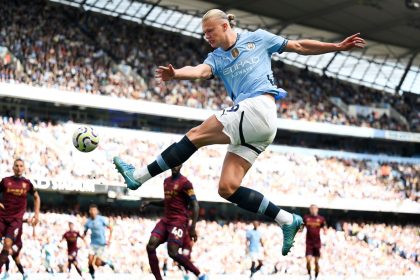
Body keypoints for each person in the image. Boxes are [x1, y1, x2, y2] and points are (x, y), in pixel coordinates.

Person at [113, 9, 365, 256]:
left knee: (195, 135)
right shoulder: (216, 58)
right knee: (227, 188)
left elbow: (298, 46)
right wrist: (177, 74)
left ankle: (139, 176)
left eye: (210, 31)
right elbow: (200, 71)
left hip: (258, 107)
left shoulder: (259, 38)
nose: (207, 37)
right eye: (204, 34)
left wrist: (337, 47)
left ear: (225, 26)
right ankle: (287, 219)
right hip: (259, 127)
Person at [141, 165, 207, 280]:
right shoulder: (166, 181)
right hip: (166, 220)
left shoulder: (185, 183)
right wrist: (150, 202)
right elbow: (167, 202)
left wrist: (192, 228)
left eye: (178, 163)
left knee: (172, 253)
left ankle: (199, 275)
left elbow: (195, 205)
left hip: (178, 221)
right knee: (150, 246)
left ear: (181, 165)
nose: (175, 165)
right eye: (173, 163)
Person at [0, 159, 40, 267]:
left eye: (21, 166)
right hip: (2, 217)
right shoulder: (5, 181)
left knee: (7, 244)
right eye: (16, 165)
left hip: (15, 220)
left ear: (24, 168)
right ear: (13, 168)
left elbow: (36, 197)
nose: (19, 168)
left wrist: (36, 215)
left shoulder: (27, 183)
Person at [83, 204, 114, 279]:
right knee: (90, 261)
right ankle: (92, 275)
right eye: (91, 210)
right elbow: (85, 232)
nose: (93, 212)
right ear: (90, 211)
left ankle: (107, 262)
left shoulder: (101, 219)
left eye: (94, 210)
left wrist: (109, 240)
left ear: (97, 211)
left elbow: (111, 228)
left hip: (101, 244)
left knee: (97, 263)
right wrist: (83, 239)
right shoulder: (88, 222)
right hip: (93, 244)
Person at [303, 205, 326, 280]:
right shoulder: (306, 218)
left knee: (316, 262)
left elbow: (324, 227)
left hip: (317, 243)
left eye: (314, 209)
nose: (313, 210)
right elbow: (301, 227)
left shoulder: (321, 219)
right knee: (308, 260)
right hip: (309, 243)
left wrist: (325, 230)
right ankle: (309, 274)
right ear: (310, 210)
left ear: (317, 209)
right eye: (311, 209)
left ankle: (316, 276)